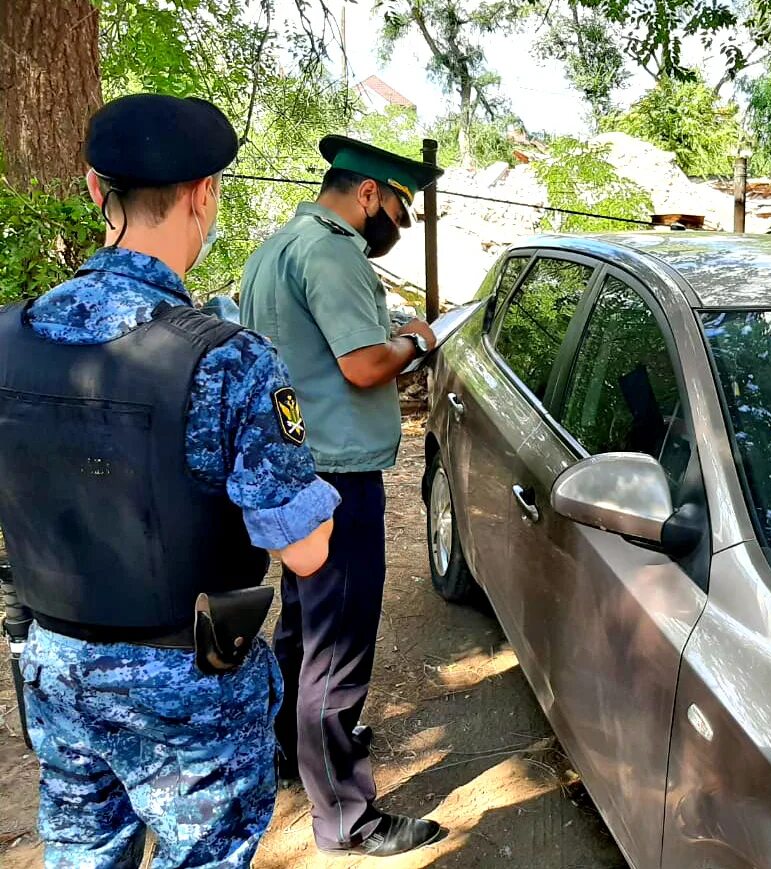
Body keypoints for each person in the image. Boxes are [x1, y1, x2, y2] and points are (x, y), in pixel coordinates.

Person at [0, 94, 340, 868]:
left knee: (83, 855)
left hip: (55, 666)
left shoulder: (7, 336)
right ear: (204, 194)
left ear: (95, 189)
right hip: (186, 685)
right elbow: (309, 551)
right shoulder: (230, 360)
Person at [239, 135, 442, 856]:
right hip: (338, 476)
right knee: (340, 643)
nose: (392, 224)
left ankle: (294, 751)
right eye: (394, 208)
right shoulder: (332, 252)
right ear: (367, 195)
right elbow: (361, 366)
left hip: (294, 467)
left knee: (303, 627)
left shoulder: (273, 249)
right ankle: (346, 816)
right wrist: (417, 340)